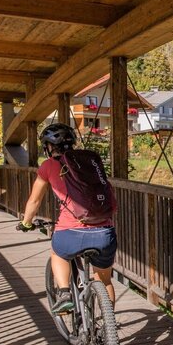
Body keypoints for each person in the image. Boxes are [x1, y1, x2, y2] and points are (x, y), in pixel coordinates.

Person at [17, 123, 117, 313]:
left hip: (70, 232)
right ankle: (108, 330)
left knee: (57, 252)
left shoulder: (48, 166)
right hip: (104, 232)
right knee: (104, 280)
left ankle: (64, 294)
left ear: (48, 147)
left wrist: (26, 222)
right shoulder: (88, 163)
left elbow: (34, 200)